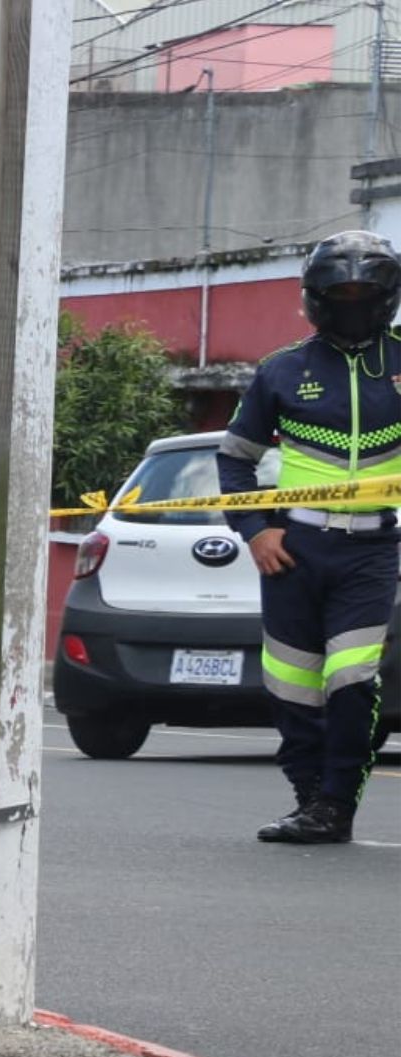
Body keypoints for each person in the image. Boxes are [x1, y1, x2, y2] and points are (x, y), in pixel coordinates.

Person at [217, 230, 401, 845]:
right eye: (338, 293)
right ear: (315, 297)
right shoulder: (282, 370)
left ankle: (336, 803)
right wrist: (255, 530)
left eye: (363, 293)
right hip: (293, 549)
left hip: (371, 551)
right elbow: (234, 460)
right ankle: (309, 800)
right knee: (291, 684)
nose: (351, 304)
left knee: (351, 679)